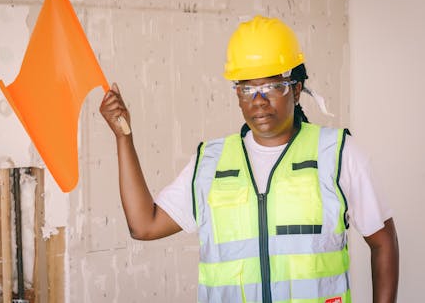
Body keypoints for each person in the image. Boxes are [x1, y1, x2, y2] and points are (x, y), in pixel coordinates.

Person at [99, 16, 399, 303]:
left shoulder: (337, 153)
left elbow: (383, 241)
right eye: (247, 90)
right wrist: (123, 137)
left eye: (272, 87)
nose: (259, 101)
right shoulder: (210, 162)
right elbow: (144, 225)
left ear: (295, 90)